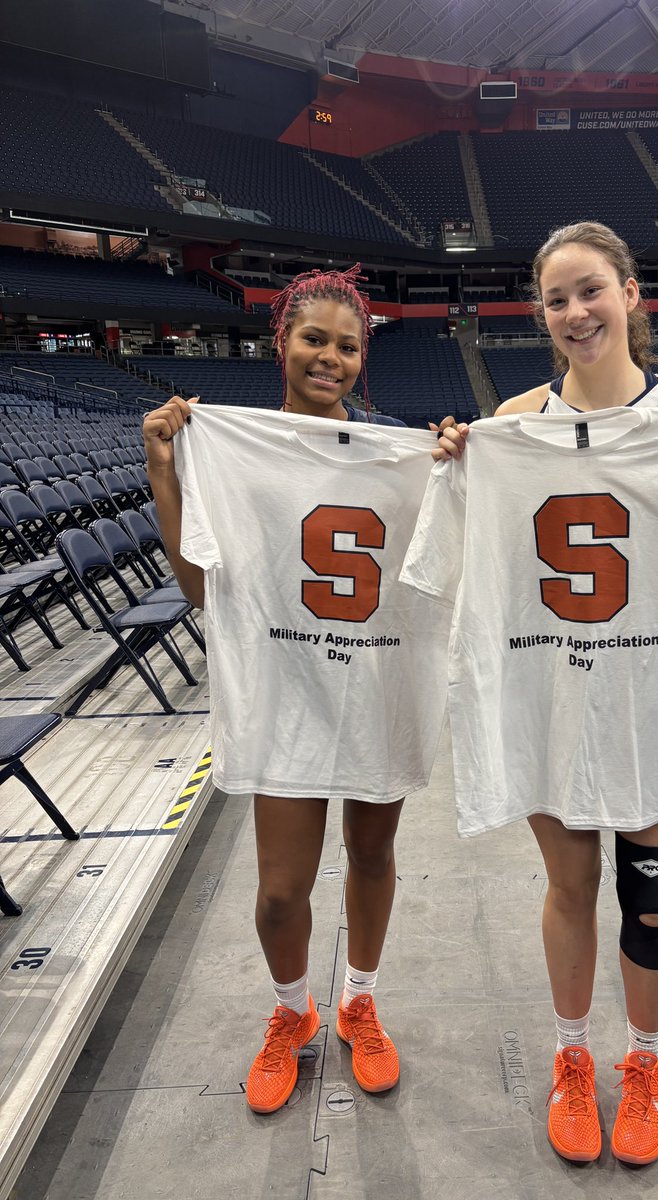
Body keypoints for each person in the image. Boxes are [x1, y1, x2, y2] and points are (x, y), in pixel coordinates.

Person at [431, 221, 658, 1169]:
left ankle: (645, 1064)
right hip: (556, 701)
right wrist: (459, 462)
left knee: (651, 904)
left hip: (655, 700)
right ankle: (572, 1060)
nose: (576, 313)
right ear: (541, 314)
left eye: (591, 291)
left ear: (630, 294)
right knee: (570, 888)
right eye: (557, 299)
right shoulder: (512, 424)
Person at [142, 265, 456, 1115]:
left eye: (348, 347)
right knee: (282, 890)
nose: (330, 358)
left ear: (362, 360)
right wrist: (165, 472)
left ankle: (359, 1000)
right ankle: (291, 1012)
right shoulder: (235, 452)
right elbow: (203, 591)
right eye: (315, 339)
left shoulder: (402, 459)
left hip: (376, 686)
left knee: (372, 856)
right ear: (280, 342)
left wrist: (453, 468)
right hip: (285, 692)